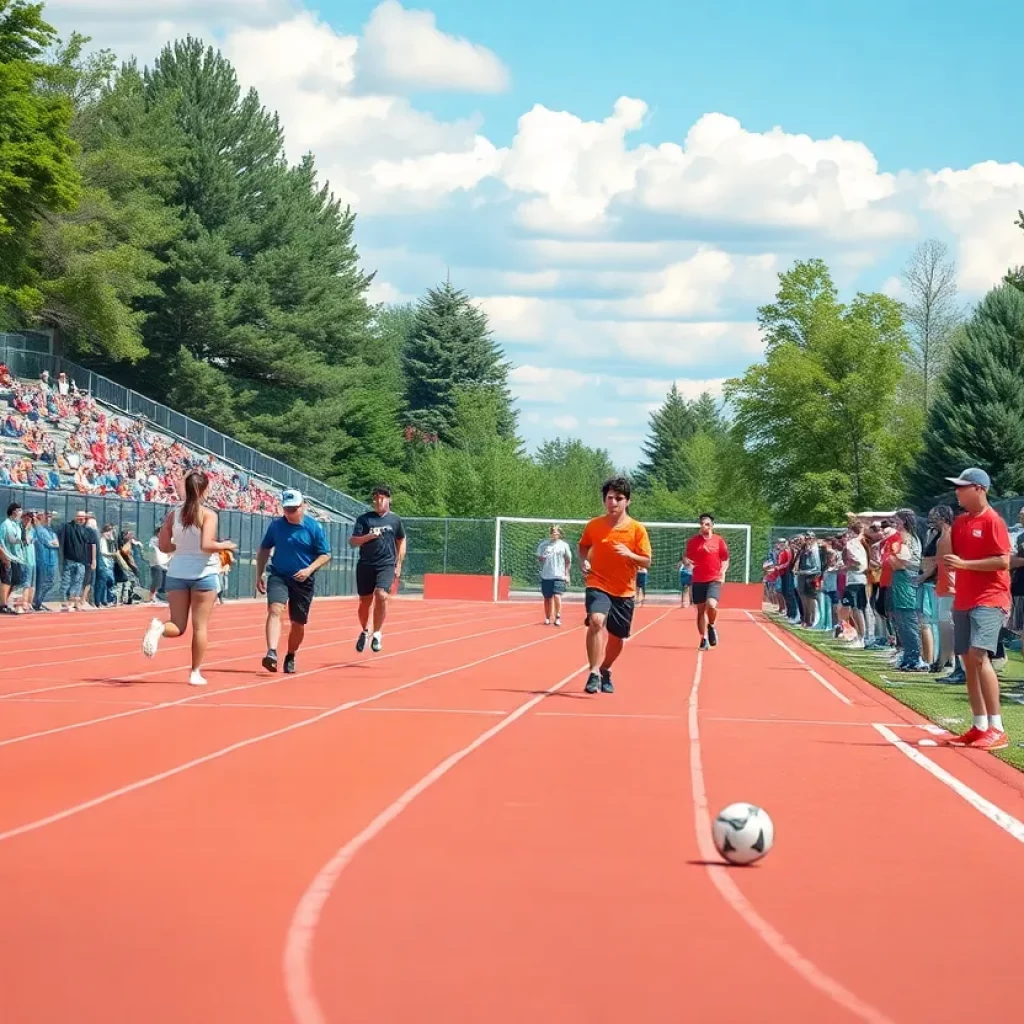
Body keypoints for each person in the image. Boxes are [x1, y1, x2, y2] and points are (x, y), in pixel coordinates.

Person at [142, 470, 237, 686]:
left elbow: (165, 547)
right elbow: (206, 546)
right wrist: (224, 545)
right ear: (205, 490)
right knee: (200, 627)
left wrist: (182, 547)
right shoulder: (209, 514)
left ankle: (159, 628)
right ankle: (195, 672)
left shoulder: (173, 514)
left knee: (177, 625)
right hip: (204, 574)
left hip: (177, 572)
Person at [941, 467, 1012, 750]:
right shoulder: (960, 522)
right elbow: (947, 555)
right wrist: (945, 529)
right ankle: (979, 724)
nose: (957, 491)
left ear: (979, 489)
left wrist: (966, 566)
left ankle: (997, 727)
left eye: (963, 487)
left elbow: (1003, 561)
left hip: (990, 598)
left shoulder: (994, 521)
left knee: (979, 655)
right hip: (965, 598)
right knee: (967, 660)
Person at [577, 476, 652, 694]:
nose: (613, 502)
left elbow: (646, 560)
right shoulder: (594, 525)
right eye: (609, 498)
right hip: (597, 581)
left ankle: (606, 668)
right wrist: (583, 561)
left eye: (618, 498)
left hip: (624, 589)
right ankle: (593, 672)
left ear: (627, 501)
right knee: (596, 620)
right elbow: (583, 546)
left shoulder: (637, 529)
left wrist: (630, 554)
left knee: (617, 638)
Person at [255, 489, 332, 674]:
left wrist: (308, 570)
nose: (289, 513)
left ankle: (291, 654)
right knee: (275, 609)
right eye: (287, 509)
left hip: (303, 580)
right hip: (279, 575)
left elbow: (326, 555)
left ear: (303, 506)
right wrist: (259, 574)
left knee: (298, 623)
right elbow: (264, 549)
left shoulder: (313, 527)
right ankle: (272, 652)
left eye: (293, 509)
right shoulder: (276, 526)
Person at [350, 485, 406, 653]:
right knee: (364, 602)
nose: (378, 501)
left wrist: (399, 563)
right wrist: (369, 536)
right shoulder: (364, 519)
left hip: (386, 564)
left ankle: (377, 633)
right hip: (366, 564)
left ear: (389, 500)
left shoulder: (395, 520)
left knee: (381, 595)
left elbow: (401, 540)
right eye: (376, 498)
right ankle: (364, 631)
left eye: (382, 498)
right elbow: (353, 542)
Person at [684, 514, 730, 650]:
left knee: (711, 604)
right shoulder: (693, 542)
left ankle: (711, 625)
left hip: (714, 578)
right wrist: (687, 564)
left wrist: (723, 572)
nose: (704, 526)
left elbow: (725, 558)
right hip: (698, 579)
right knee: (700, 611)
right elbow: (687, 558)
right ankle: (703, 638)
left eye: (707, 524)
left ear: (712, 525)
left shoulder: (719, 541)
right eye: (702, 524)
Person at [536, 524, 572, 625]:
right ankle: (547, 617)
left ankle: (558, 616)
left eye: (556, 532)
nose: (554, 534)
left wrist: (567, 574)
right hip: (546, 575)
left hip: (559, 575)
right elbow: (538, 557)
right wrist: (542, 557)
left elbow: (568, 560)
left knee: (557, 596)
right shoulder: (544, 544)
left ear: (560, 534)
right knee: (547, 597)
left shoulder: (564, 545)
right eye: (552, 532)